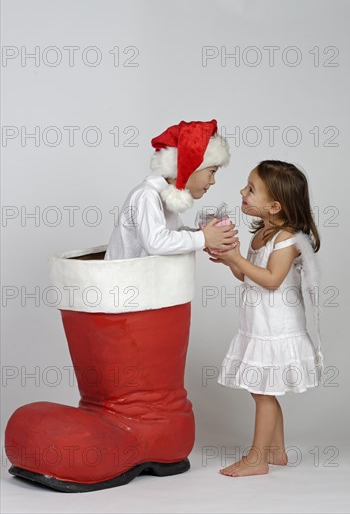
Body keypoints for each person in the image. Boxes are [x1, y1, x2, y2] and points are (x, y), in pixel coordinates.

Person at [205, 159, 325, 477]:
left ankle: (257, 458)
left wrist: (236, 259)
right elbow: (250, 277)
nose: (242, 191)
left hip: (276, 328)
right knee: (264, 389)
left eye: (251, 189)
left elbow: (272, 279)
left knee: (262, 390)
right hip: (258, 324)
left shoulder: (287, 239)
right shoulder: (264, 234)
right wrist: (229, 260)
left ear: (274, 205)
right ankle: (277, 451)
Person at [104, 119, 238, 260]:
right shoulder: (147, 195)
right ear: (190, 168)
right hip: (124, 280)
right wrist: (202, 238)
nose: (213, 181)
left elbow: (174, 233)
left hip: (142, 279)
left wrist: (205, 234)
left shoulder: (163, 195)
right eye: (212, 171)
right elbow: (155, 243)